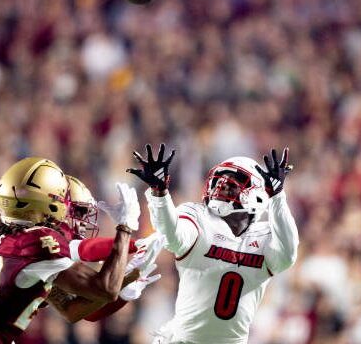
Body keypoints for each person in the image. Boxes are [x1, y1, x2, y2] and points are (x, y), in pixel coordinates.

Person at [0, 157, 141, 344]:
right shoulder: (41, 241)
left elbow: (71, 310)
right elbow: (106, 288)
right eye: (76, 210)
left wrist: (130, 275)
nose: (82, 222)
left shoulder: (23, 237)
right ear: (49, 205)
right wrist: (125, 227)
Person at [127, 144, 300, 344]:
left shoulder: (264, 236)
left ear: (259, 193)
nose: (221, 187)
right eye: (219, 181)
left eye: (233, 183)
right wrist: (160, 194)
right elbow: (172, 235)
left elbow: (288, 255)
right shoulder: (200, 218)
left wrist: (278, 196)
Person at [47, 175, 164, 322]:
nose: (82, 222)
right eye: (78, 212)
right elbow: (84, 250)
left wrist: (124, 292)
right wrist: (128, 232)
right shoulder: (36, 244)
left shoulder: (43, 250)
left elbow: (74, 311)